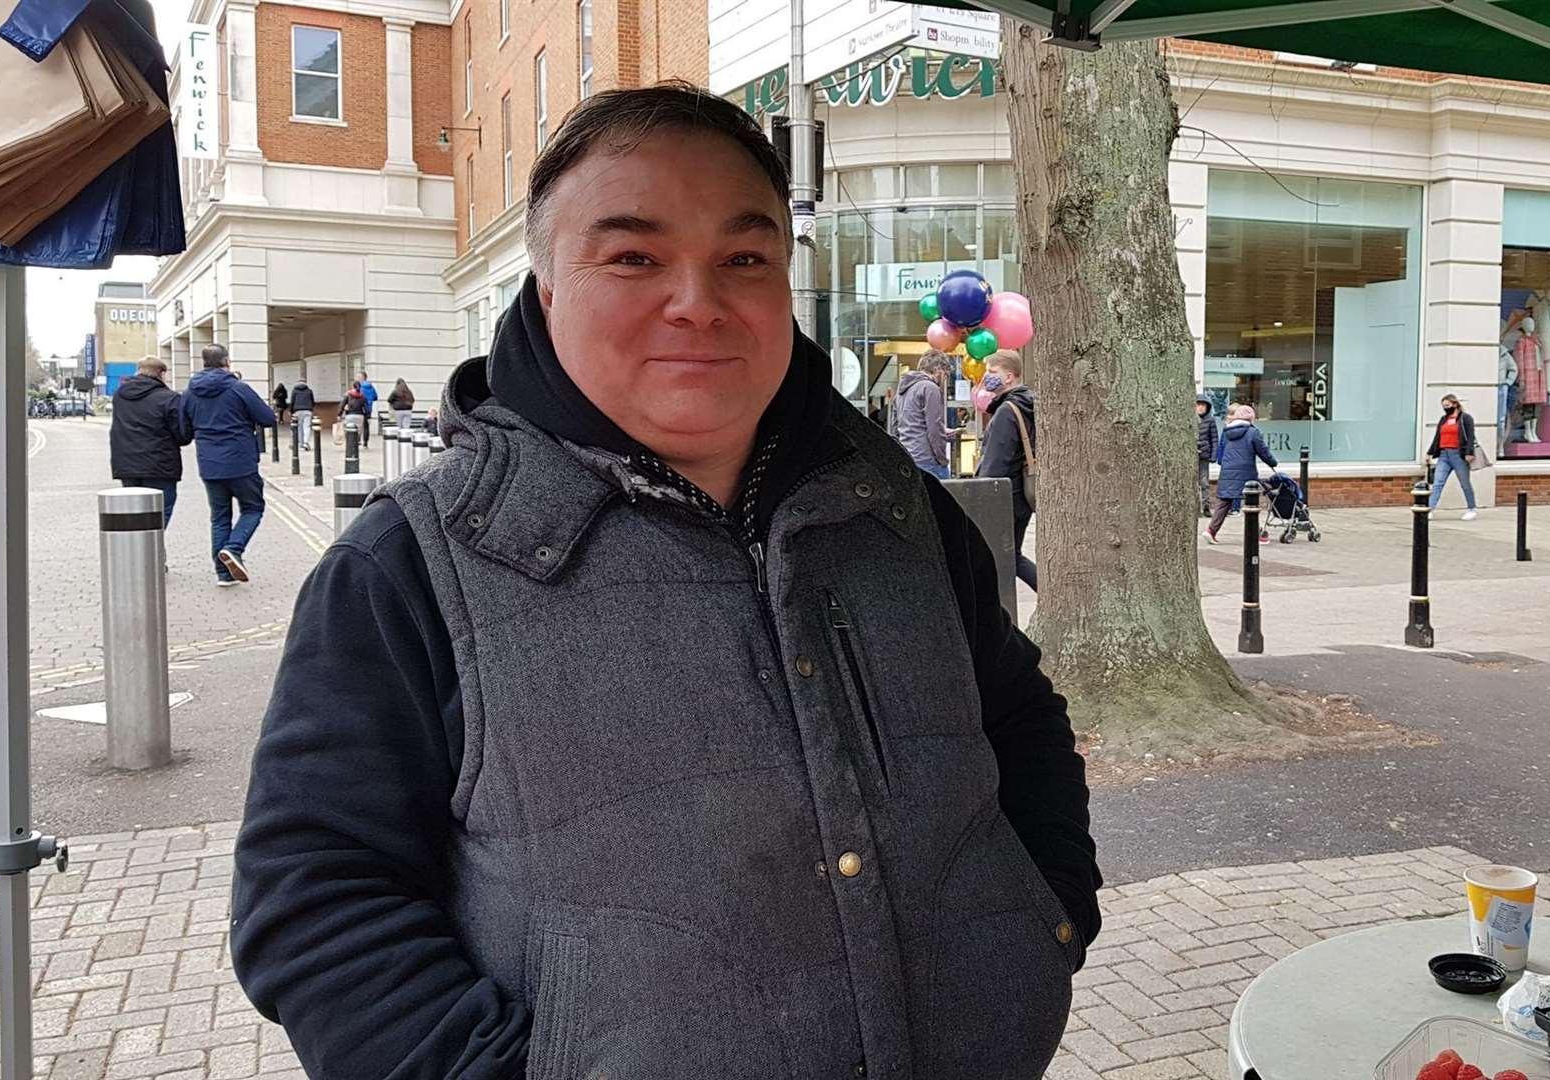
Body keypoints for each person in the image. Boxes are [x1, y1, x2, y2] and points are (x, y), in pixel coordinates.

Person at [231, 83, 1097, 1080]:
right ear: (549, 285)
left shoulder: (899, 511)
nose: (698, 299)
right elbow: (317, 903)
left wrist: (1049, 924)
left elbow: (1020, 719)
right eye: (634, 256)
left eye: (744, 258)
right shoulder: (406, 568)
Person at [179, 345, 276, 586]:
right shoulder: (238, 388)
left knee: (220, 518)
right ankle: (234, 548)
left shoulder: (189, 393)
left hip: (209, 464)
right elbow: (267, 418)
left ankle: (223, 574)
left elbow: (183, 432)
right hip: (241, 461)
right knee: (253, 508)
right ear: (226, 362)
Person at [978, 348, 1040, 591]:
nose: (987, 377)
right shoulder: (1027, 406)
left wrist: (982, 496)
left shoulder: (1006, 411)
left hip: (1005, 498)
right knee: (1010, 557)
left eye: (992, 372)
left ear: (1009, 377)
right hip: (1021, 495)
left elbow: (996, 462)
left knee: (1005, 558)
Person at [108, 358, 191, 527]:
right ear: (161, 374)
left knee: (134, 515)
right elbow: (182, 435)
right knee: (159, 515)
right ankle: (152, 551)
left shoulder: (120, 395)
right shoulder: (169, 398)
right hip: (160, 466)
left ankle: (137, 551)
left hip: (127, 466)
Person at [1206, 403, 1279, 544]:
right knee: (1251, 503)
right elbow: (1263, 451)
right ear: (1251, 418)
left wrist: (1223, 464)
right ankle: (1257, 535)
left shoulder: (1227, 431)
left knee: (1225, 502)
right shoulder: (1253, 432)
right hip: (1246, 472)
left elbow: (1222, 450)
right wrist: (1273, 463)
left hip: (1227, 471)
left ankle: (1210, 531)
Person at [893, 350, 957, 478]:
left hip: (908, 457)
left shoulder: (902, 390)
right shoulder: (930, 388)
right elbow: (934, 428)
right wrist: (942, 459)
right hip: (928, 460)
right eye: (945, 375)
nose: (944, 380)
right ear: (939, 370)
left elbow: (896, 426)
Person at [1425, 394, 1479, 521]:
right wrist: (1430, 453)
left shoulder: (1465, 418)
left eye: (1447, 405)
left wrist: (1469, 452)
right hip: (1444, 454)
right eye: (1443, 406)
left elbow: (1470, 436)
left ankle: (1471, 508)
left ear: (1455, 404)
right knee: (1438, 482)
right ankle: (1430, 509)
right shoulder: (1443, 419)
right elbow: (1437, 437)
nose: (1445, 408)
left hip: (1459, 455)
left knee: (1465, 483)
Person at [1196, 397, 1218, 516]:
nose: (1200, 407)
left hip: (1204, 456)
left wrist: (1213, 455)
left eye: (1203, 405)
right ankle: (1194, 507)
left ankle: (1206, 506)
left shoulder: (1210, 420)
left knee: (1204, 482)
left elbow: (1214, 439)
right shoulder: (1190, 419)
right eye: (1198, 405)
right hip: (1192, 456)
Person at [289, 377, 316, 450]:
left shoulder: (294, 391)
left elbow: (292, 401)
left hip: (297, 411)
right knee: (307, 427)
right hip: (308, 410)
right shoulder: (309, 391)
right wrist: (311, 408)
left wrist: (291, 411)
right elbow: (313, 401)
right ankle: (306, 442)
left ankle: (301, 443)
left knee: (299, 427)